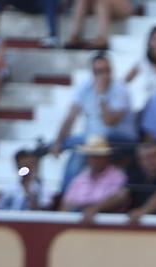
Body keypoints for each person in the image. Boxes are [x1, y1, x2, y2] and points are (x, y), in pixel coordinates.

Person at [51, 53, 137, 190]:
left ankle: (65, 195)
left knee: (79, 153)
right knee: (66, 147)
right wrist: (58, 141)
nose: (103, 75)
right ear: (92, 72)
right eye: (99, 71)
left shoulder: (120, 89)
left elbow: (109, 122)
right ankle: (64, 194)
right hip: (92, 138)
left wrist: (101, 95)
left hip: (119, 138)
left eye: (106, 70)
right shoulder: (84, 87)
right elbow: (70, 117)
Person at [59, 135, 128, 219]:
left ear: (106, 157)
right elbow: (66, 204)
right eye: (91, 156)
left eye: (98, 156)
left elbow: (120, 197)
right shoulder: (80, 178)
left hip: (105, 221)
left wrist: (96, 208)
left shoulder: (117, 176)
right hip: (78, 221)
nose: (94, 159)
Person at [0, 146, 52, 210]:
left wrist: (29, 191)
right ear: (17, 167)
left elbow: (43, 212)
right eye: (24, 166)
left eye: (30, 166)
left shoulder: (43, 189)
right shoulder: (9, 189)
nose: (27, 170)